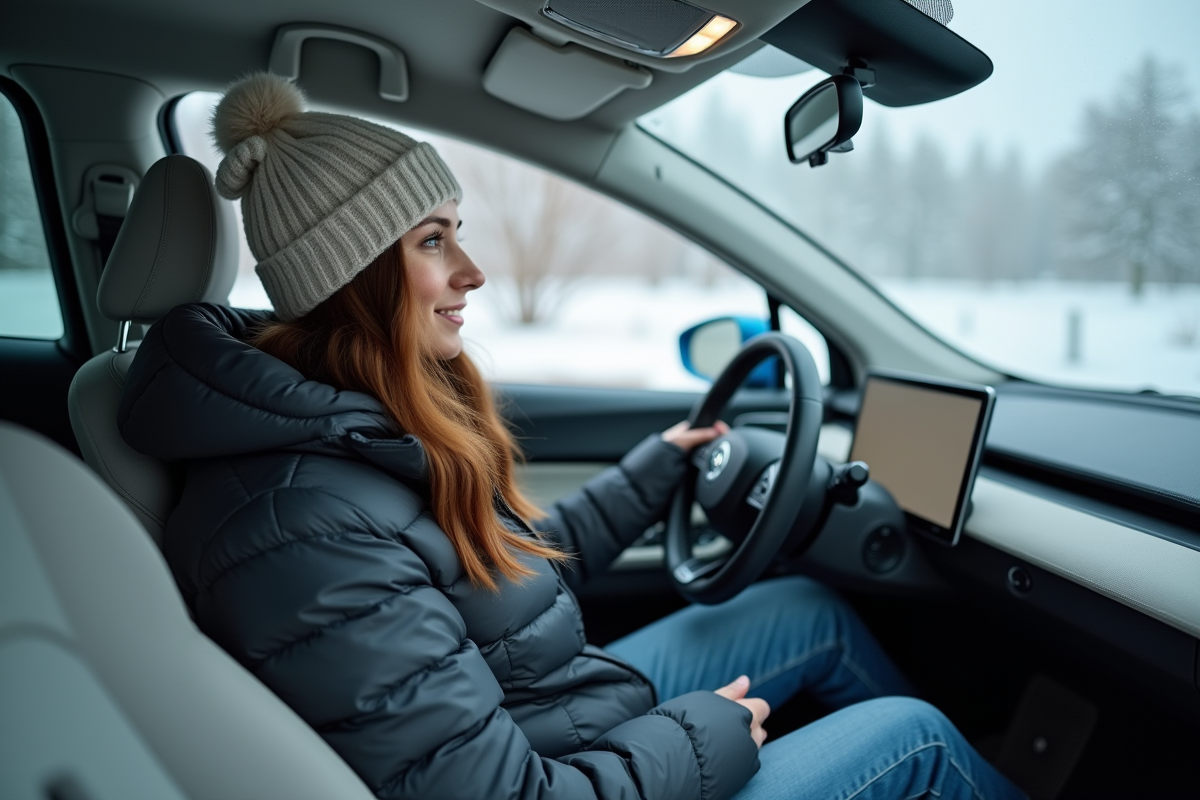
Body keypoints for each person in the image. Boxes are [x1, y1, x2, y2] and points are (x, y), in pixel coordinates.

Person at [118, 73, 1025, 800]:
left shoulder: (341, 417)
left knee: (804, 613)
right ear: (352, 273)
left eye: (458, 235)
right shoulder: (301, 519)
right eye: (433, 241)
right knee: (914, 741)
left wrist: (651, 472)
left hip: (551, 713)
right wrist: (704, 736)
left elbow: (499, 574)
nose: (471, 272)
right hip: (551, 757)